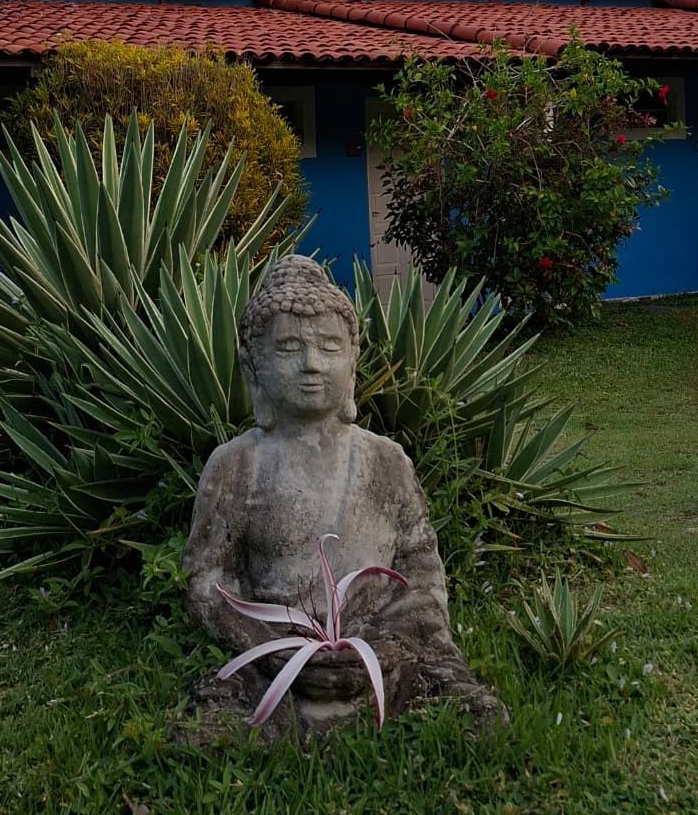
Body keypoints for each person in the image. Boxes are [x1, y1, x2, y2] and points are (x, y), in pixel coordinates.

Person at [182, 256, 504, 733]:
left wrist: (386, 642)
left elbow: (421, 573)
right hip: (273, 651)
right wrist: (270, 645)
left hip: (379, 642)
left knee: (464, 706)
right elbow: (206, 581)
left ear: (352, 363)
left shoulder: (386, 460)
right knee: (218, 716)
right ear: (253, 367)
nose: (312, 364)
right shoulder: (235, 465)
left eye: (330, 347)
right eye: (289, 347)